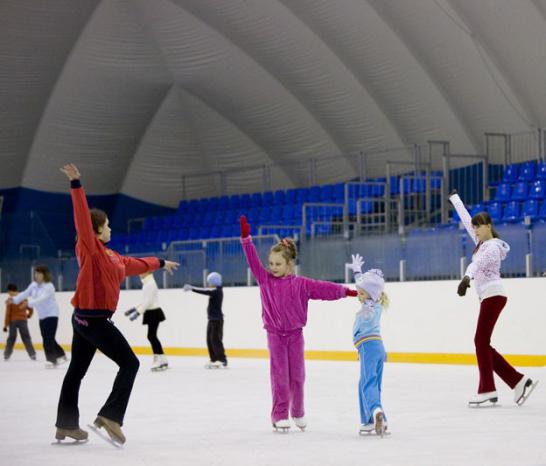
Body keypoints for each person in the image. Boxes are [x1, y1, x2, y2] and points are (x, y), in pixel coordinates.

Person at [54, 164, 179, 445]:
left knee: (76, 371)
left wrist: (160, 262)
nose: (110, 228)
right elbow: (81, 221)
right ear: (96, 231)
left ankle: (66, 425)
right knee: (130, 363)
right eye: (106, 225)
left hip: (84, 320)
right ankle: (110, 416)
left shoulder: (112, 256)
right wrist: (76, 185)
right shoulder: (90, 248)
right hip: (93, 319)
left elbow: (134, 265)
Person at [240, 215, 358, 432]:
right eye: (271, 264)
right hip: (275, 335)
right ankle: (279, 414)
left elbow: (324, 288)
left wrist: (347, 292)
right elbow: (253, 261)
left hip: (295, 335)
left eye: (278, 264)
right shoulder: (265, 280)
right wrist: (246, 239)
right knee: (280, 377)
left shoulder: (301, 284)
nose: (273, 267)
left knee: (298, 377)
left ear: (289, 264)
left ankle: (298, 411)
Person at [449, 191, 538, 407]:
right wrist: (456, 200)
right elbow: (466, 218)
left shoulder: (493, 247)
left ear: (489, 225)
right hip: (490, 296)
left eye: (479, 226)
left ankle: (487, 389)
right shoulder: (480, 243)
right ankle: (518, 381)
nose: (476, 230)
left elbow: (476, 265)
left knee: (480, 341)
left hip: (493, 294)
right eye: (475, 227)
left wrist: (466, 278)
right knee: (483, 344)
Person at [348, 254, 389, 436]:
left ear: (370, 295)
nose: (358, 295)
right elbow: (363, 284)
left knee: (367, 384)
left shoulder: (370, 306)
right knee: (371, 383)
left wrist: (366, 311)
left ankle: (376, 411)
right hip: (378, 348)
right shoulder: (372, 298)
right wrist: (357, 271)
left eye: (361, 293)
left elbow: (367, 295)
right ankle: (370, 420)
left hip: (368, 347)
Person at [8, 265, 66, 367]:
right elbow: (25, 293)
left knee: (48, 338)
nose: (36, 275)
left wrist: (28, 304)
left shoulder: (49, 286)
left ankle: (52, 360)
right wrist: (14, 300)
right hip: (42, 316)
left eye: (39, 273)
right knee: (48, 337)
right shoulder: (33, 285)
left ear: (44, 275)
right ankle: (61, 354)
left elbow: (41, 299)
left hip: (52, 315)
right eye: (36, 273)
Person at [125, 271, 168, 372]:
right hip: (151, 312)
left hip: (154, 312)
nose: (139, 273)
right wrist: (134, 309)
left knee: (151, 336)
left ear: (148, 272)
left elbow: (148, 302)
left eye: (142, 272)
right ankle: (163, 359)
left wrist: (138, 313)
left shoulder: (150, 284)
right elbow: (145, 301)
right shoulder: (147, 283)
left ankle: (158, 359)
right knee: (153, 336)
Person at [183, 271, 227, 369]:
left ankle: (222, 360)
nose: (208, 284)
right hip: (212, 319)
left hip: (217, 320)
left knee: (216, 340)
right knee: (209, 339)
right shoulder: (215, 290)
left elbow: (205, 291)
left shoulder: (217, 291)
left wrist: (192, 288)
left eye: (209, 282)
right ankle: (214, 359)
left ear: (214, 282)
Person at [3, 283, 36, 361]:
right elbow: (30, 309)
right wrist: (28, 315)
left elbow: (8, 314)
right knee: (26, 337)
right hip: (22, 320)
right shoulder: (23, 298)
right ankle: (32, 354)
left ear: (10, 291)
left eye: (8, 291)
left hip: (13, 321)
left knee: (11, 337)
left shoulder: (10, 300)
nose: (8, 293)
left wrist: (5, 325)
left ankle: (7, 354)